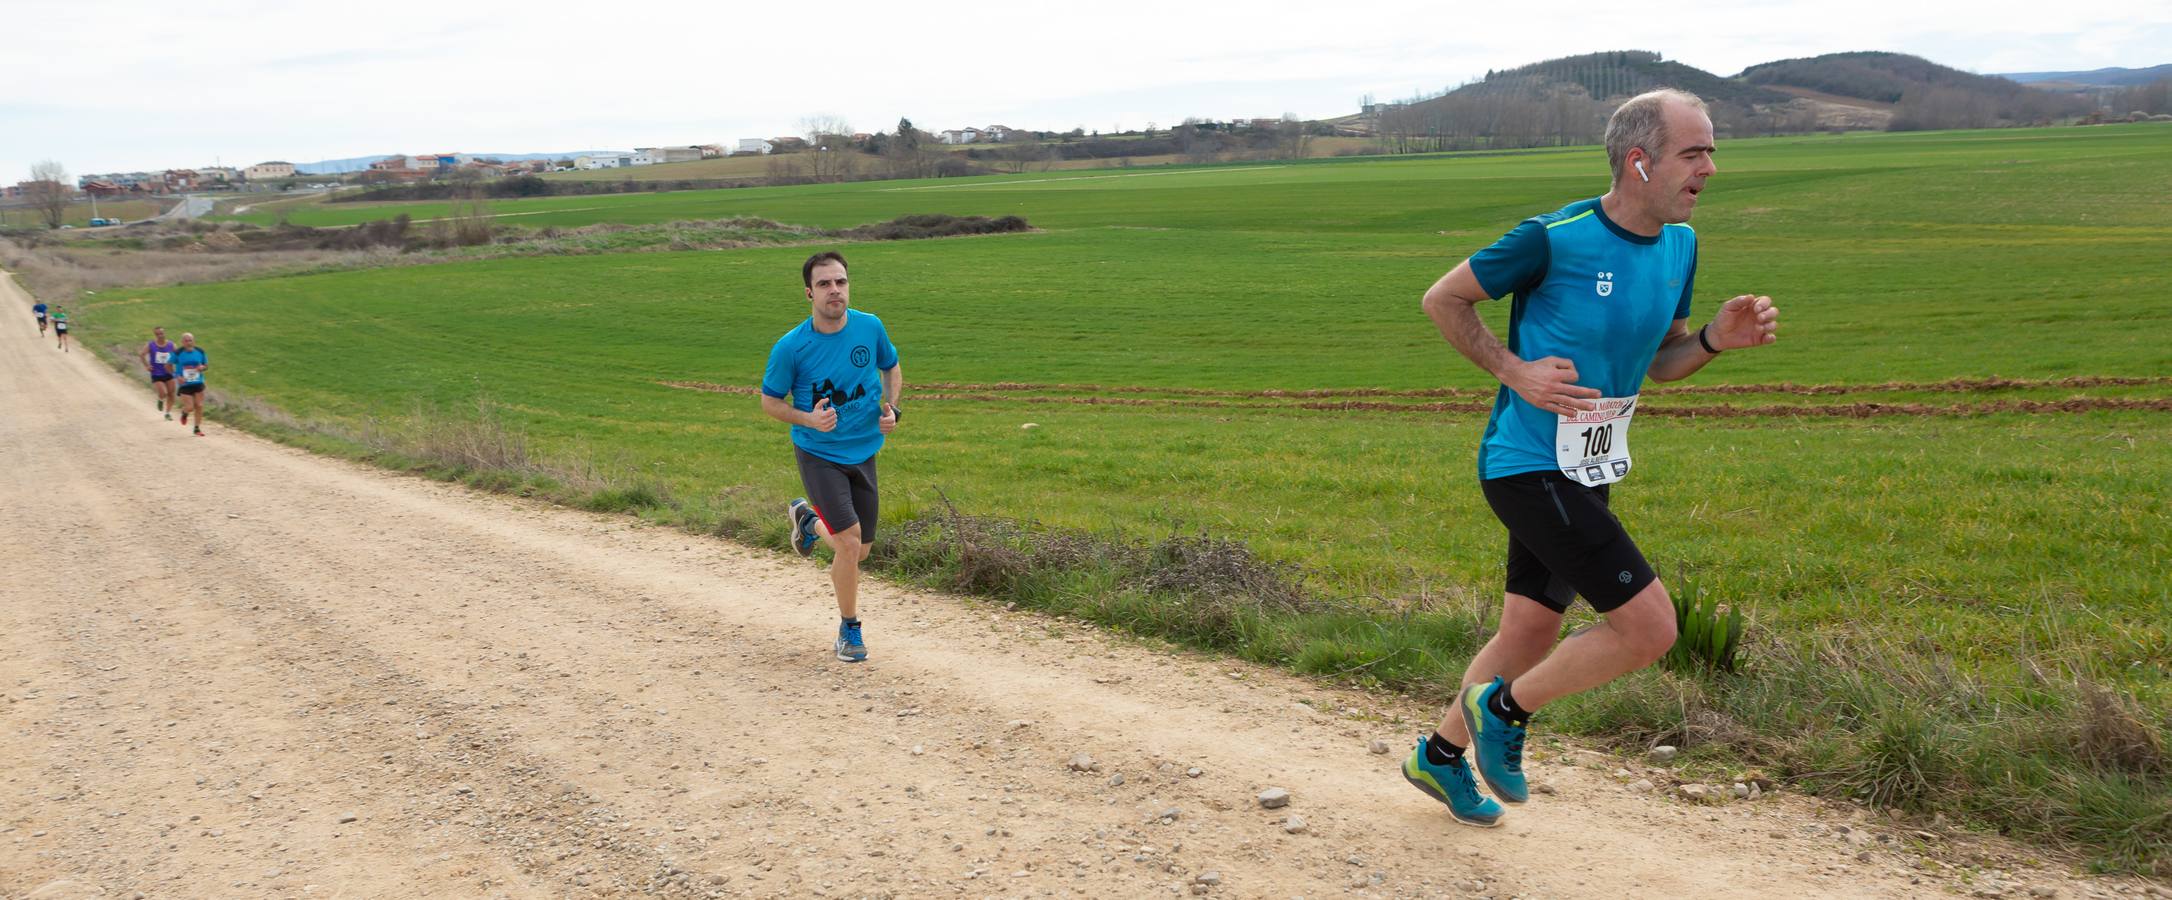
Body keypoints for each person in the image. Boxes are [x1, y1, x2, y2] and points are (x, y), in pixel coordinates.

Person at [1403, 89, 1780, 827]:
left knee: (1530, 630)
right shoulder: (1554, 238)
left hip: (1590, 465)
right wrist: (1515, 371)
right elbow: (1442, 300)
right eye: (1694, 152)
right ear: (1640, 162)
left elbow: (1662, 362)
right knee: (1651, 629)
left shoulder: (1682, 244)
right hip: (1526, 464)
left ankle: (1439, 758)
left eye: (1712, 150)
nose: (1711, 166)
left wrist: (1710, 342)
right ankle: (1504, 709)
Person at [760, 251, 902, 663]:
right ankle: (850, 629)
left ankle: (808, 520)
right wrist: (808, 418)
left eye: (840, 282)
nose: (834, 290)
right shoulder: (792, 347)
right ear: (809, 292)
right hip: (818, 452)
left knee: (860, 552)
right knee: (849, 543)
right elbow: (770, 402)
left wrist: (892, 409)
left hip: (864, 451)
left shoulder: (869, 326)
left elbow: (891, 367)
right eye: (824, 284)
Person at [171, 332, 210, 437]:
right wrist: (177, 376)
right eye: (186, 340)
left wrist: (202, 368)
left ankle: (197, 428)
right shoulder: (178, 353)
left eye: (190, 340)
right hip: (185, 384)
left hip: (198, 382)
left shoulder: (200, 351)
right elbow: (168, 366)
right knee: (190, 407)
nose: (188, 342)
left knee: (200, 405)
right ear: (182, 342)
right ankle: (184, 413)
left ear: (193, 341)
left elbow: (206, 365)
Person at [142, 327, 180, 419]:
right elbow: (142, 354)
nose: (160, 336)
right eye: (157, 334)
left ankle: (168, 413)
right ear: (155, 335)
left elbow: (179, 356)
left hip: (168, 373)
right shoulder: (151, 345)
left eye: (161, 333)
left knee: (171, 393)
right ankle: (160, 399)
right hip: (156, 373)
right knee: (163, 393)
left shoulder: (171, 345)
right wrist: (147, 366)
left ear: (164, 333)